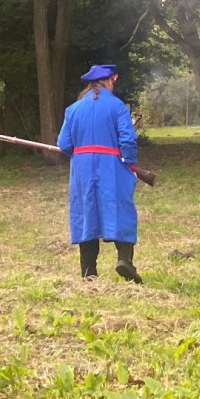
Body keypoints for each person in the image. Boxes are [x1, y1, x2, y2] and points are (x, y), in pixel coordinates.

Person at [57, 64, 142, 283]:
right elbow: (128, 140)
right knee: (120, 210)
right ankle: (124, 260)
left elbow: (64, 143)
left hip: (82, 168)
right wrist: (130, 164)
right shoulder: (117, 106)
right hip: (111, 166)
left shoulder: (73, 109)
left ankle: (89, 272)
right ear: (108, 81)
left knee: (86, 214)